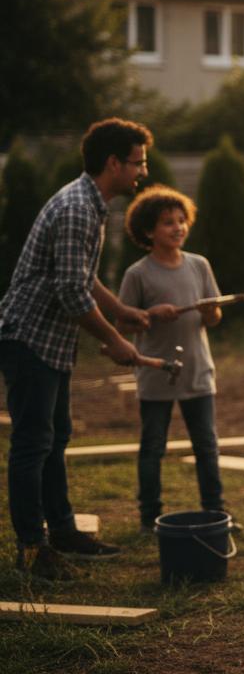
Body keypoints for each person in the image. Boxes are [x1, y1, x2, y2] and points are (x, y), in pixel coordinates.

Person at [0, 118, 154, 580]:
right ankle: (33, 549)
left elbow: (82, 277)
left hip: (52, 343)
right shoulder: (76, 208)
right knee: (32, 444)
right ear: (113, 163)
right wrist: (114, 339)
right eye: (137, 163)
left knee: (56, 438)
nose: (141, 172)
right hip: (29, 338)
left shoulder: (91, 204)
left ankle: (62, 532)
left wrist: (121, 310)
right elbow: (70, 292)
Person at [118, 186, 227, 532]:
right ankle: (149, 516)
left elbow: (213, 319)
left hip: (197, 370)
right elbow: (121, 321)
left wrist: (211, 312)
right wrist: (150, 312)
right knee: (153, 447)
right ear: (149, 231)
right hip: (156, 374)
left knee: (206, 447)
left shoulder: (199, 265)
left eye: (182, 221)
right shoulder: (138, 273)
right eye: (168, 223)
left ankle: (215, 512)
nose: (178, 227)